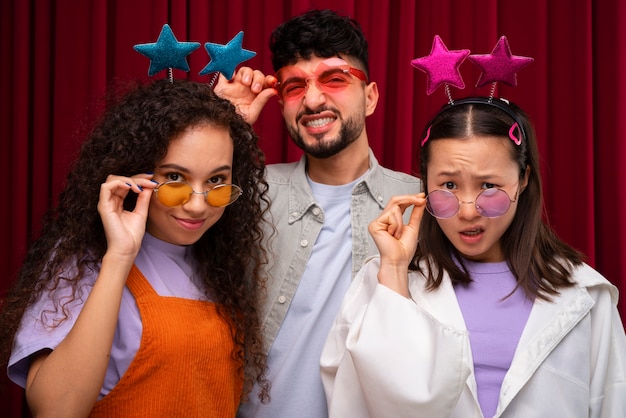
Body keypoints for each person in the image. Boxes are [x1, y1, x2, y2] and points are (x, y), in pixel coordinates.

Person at [320, 97, 626, 417]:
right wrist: (395, 274)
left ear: (522, 179)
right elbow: (354, 401)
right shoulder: (382, 281)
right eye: (448, 185)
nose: (468, 210)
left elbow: (612, 400)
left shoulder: (586, 294)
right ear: (426, 182)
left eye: (488, 186)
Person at [0, 79, 271, 416]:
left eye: (216, 181)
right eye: (174, 179)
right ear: (135, 175)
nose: (198, 207)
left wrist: (220, 121)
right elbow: (56, 411)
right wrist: (120, 256)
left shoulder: (221, 267)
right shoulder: (83, 264)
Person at [216, 9, 422, 417]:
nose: (312, 100)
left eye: (334, 79)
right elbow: (158, 229)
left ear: (371, 97)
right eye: (295, 86)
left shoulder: (420, 204)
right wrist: (224, 128)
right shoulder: (244, 191)